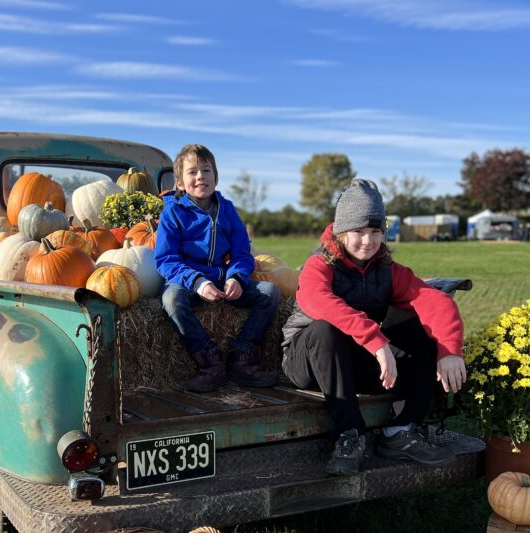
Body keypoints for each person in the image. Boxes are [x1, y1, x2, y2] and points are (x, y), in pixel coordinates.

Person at [281, 179, 467, 476]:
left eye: (375, 232)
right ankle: (349, 435)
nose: (367, 241)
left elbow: (434, 300)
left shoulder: (387, 270)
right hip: (308, 361)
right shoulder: (320, 265)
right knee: (324, 329)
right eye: (358, 231)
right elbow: (320, 303)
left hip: (355, 360)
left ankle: (401, 431)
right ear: (341, 232)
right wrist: (376, 341)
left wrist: (449, 350)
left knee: (423, 334)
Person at [154, 143, 281, 392]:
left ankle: (242, 356)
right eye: (192, 172)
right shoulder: (173, 213)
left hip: (222, 278)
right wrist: (198, 282)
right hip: (186, 280)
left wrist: (236, 277)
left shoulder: (228, 210)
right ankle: (209, 360)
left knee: (269, 293)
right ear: (180, 183)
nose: (200, 176)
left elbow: (242, 253)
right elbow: (166, 259)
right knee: (171, 299)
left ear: (216, 177)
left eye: (206, 170)